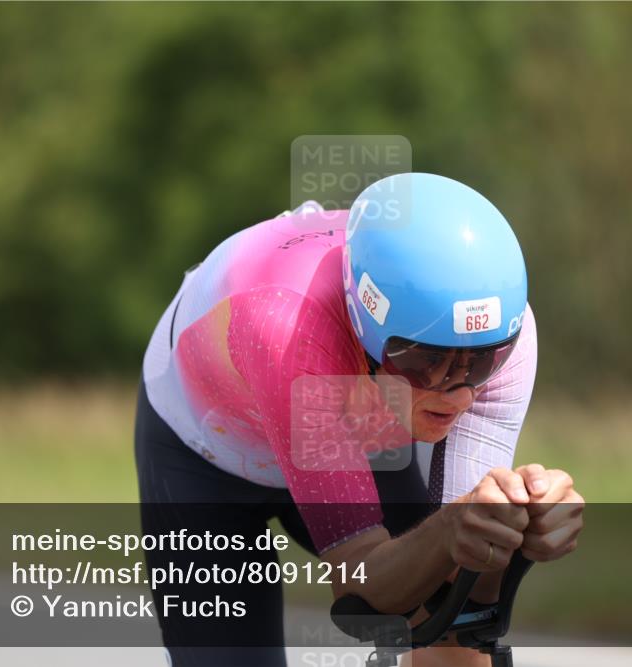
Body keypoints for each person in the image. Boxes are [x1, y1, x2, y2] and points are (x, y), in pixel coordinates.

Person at [135, 173, 584, 667]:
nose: (456, 391)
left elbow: (462, 598)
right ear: (363, 319)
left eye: (481, 362)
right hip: (206, 457)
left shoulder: (508, 336)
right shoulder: (291, 334)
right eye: (424, 360)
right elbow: (360, 590)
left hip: (352, 423)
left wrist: (517, 528)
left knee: (449, 629)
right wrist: (452, 528)